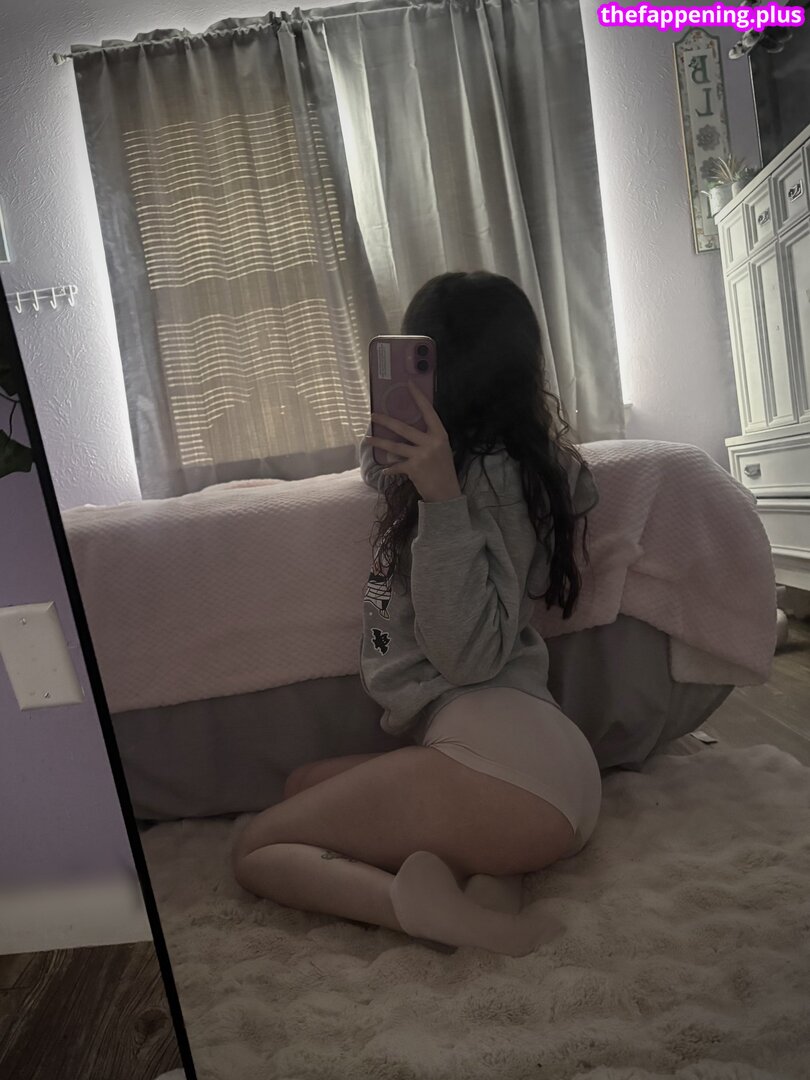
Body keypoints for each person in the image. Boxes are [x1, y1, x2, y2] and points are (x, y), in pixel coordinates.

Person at [232, 271, 602, 956]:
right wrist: (408, 437)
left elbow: (470, 656)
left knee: (259, 847)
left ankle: (424, 911)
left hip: (510, 766)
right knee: (301, 786)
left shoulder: (486, 479)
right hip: (538, 767)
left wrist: (442, 498)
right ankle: (489, 884)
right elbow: (376, 467)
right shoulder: (482, 462)